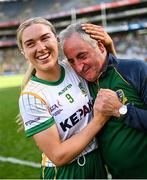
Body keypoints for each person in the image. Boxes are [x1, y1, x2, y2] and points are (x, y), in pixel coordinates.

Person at [17, 17, 121, 179]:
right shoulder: (31, 96)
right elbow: (58, 156)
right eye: (30, 44)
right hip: (66, 172)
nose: (41, 47)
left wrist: (109, 47)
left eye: (45, 38)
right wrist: (99, 120)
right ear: (23, 52)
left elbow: (112, 79)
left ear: (56, 40)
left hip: (97, 161)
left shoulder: (75, 67)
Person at [59, 22, 147, 179]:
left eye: (82, 56)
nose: (79, 67)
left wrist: (121, 110)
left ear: (100, 47)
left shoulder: (136, 69)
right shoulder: (82, 85)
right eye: (71, 61)